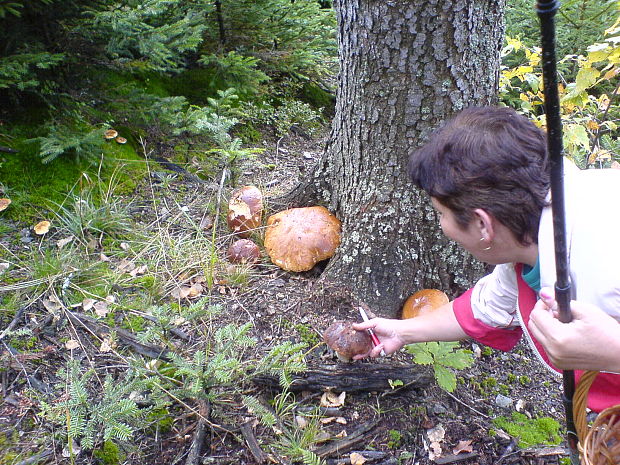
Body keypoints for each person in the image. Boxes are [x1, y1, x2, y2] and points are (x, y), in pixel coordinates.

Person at [353, 106, 620, 413]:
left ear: (483, 225)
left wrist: (613, 350)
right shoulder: (529, 243)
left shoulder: (608, 258)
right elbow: (484, 308)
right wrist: (400, 331)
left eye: (442, 214)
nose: (442, 226)